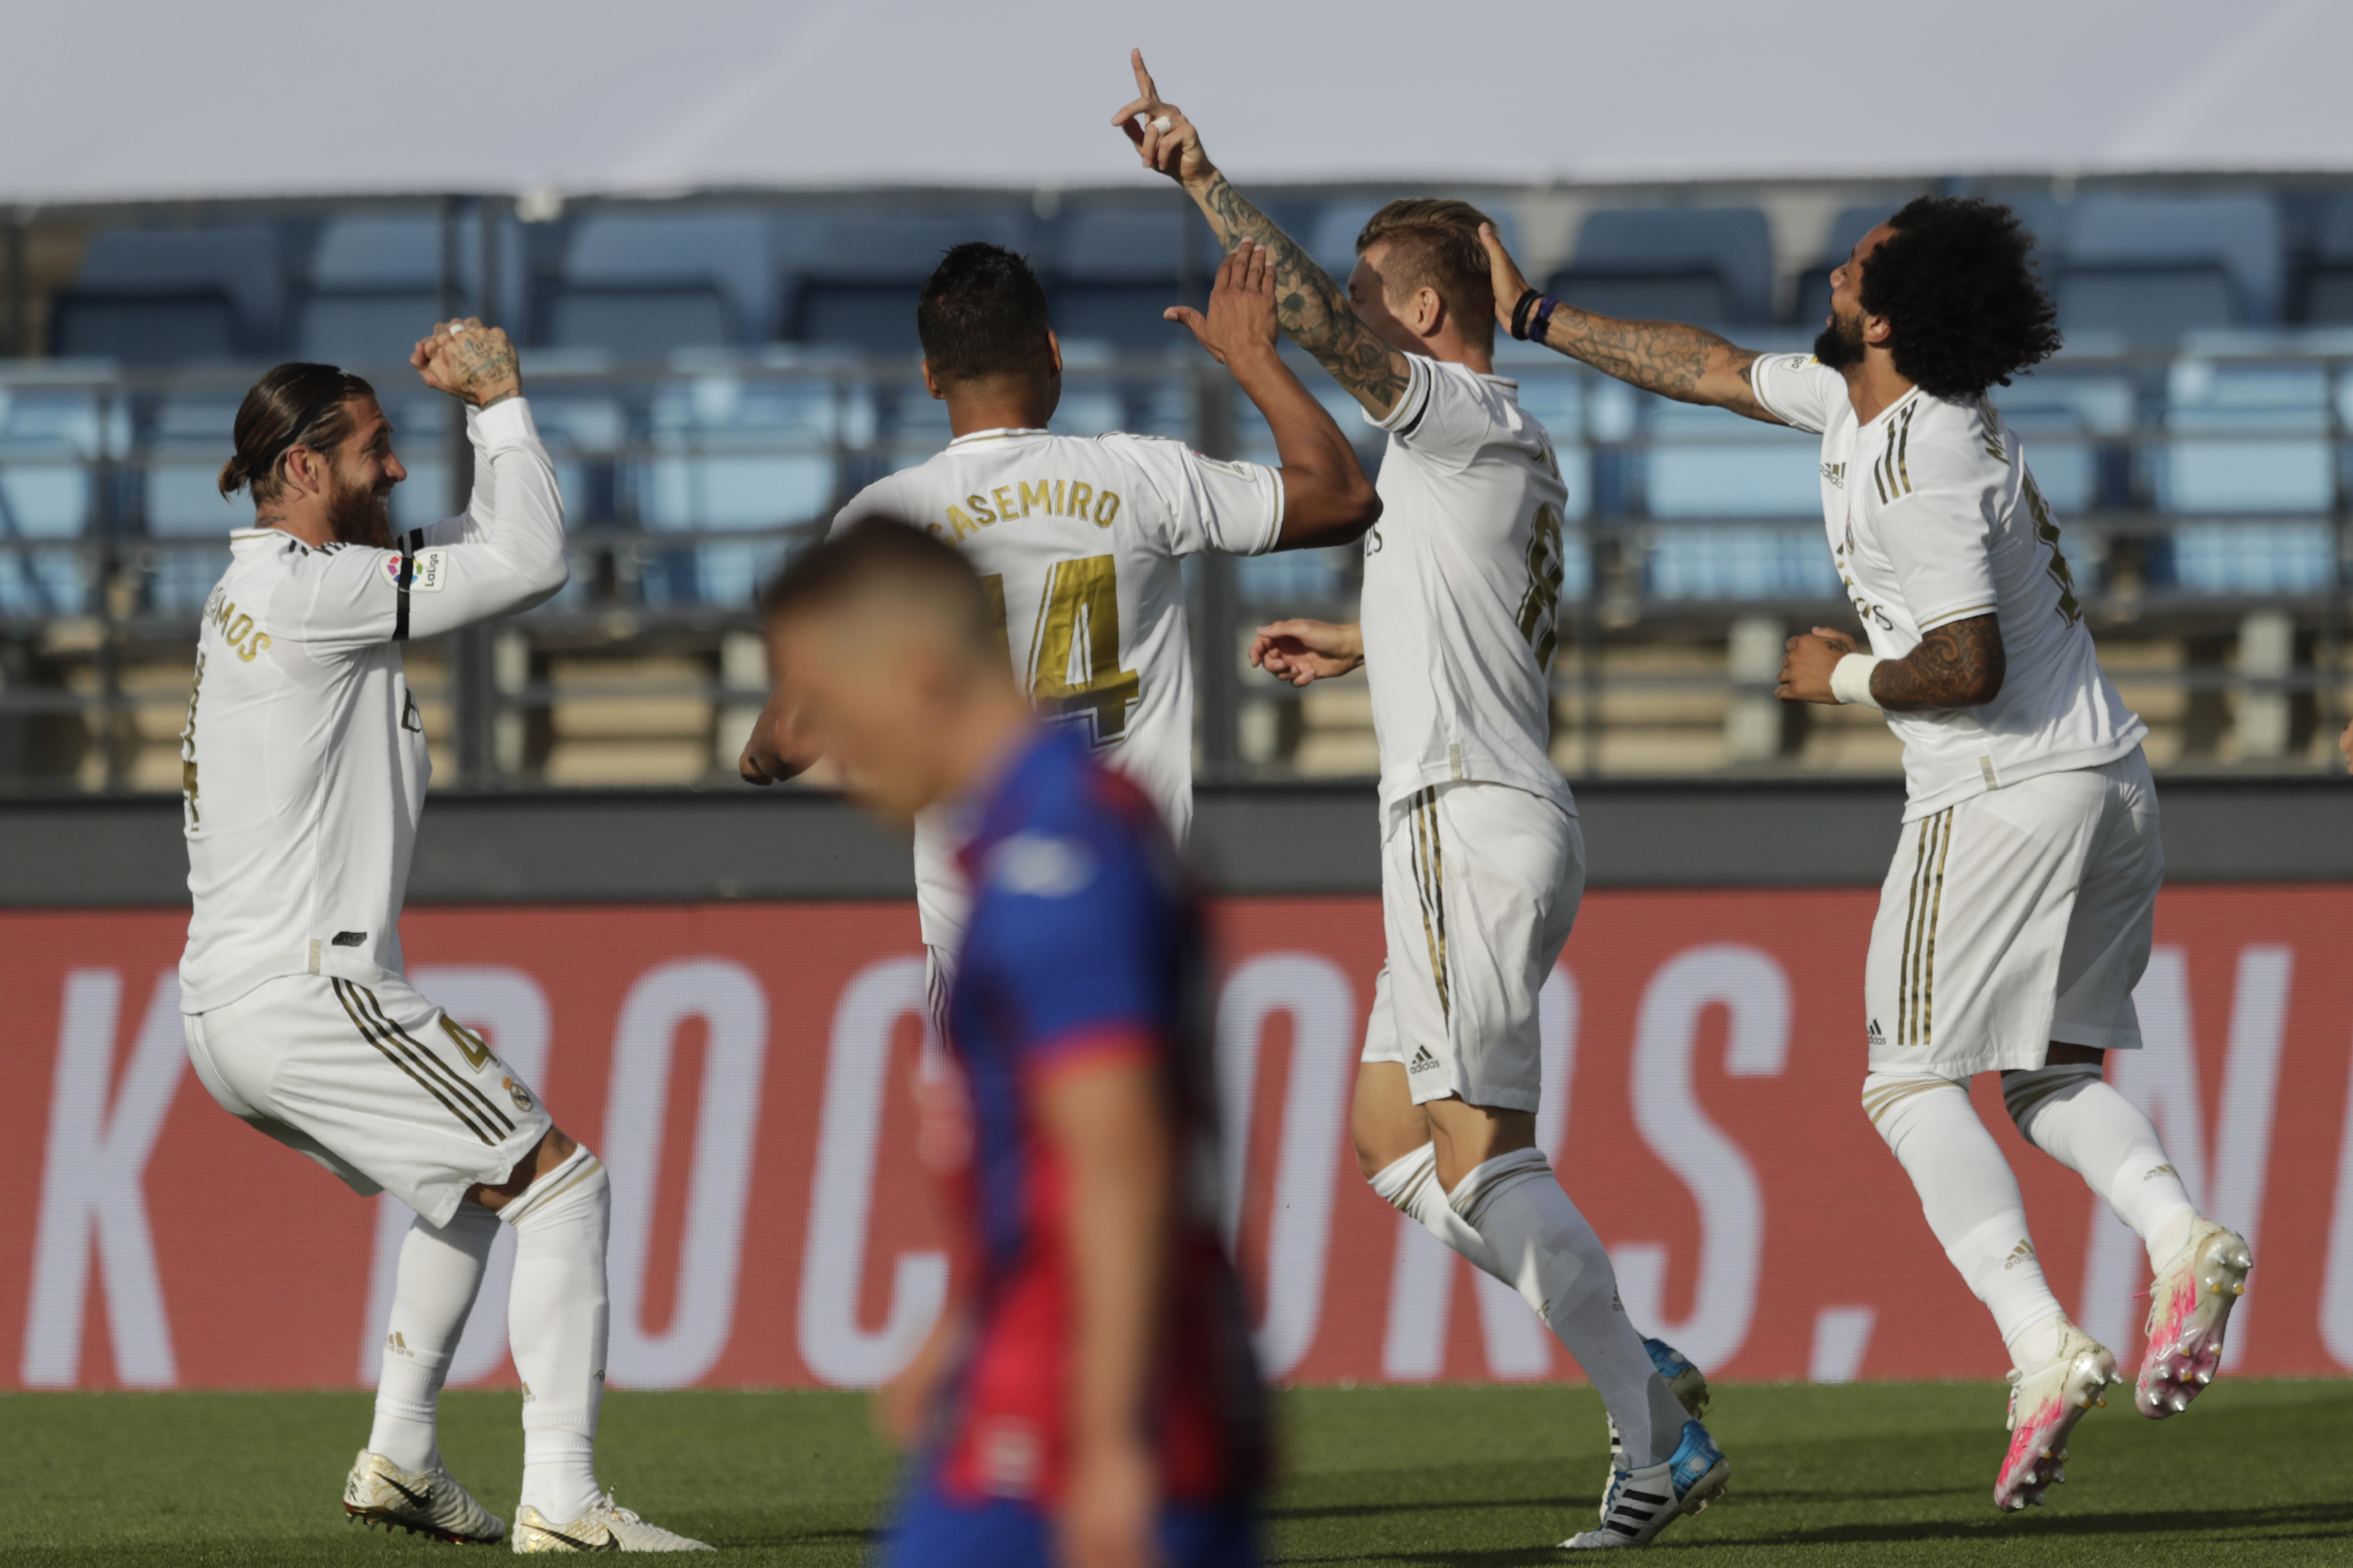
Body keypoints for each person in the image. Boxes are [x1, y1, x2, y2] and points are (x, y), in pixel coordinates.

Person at [1476, 198, 2254, 1509]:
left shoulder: (1918, 456)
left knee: (1903, 1082)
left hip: (2000, 787)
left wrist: (1839, 681)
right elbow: (1709, 368)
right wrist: (1538, 317)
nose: (1830, 270)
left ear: (1883, 316)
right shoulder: (1863, 402)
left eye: (1855, 265)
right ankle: (2180, 1236)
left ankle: (2039, 1342)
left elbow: (1966, 660)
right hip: (2108, 776)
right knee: (2048, 1074)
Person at [1113, 53, 1722, 1550]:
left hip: (1466, 815)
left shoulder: (1455, 408)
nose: (1355, 316)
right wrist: (1354, 637)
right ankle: (1636, 1367)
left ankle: (1648, 1444)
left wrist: (1202, 177)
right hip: (1464, 807)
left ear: (1429, 314)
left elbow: (1319, 324)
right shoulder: (1460, 457)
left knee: (1485, 1151)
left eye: (1379, 292)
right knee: (1392, 1138)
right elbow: (1469, 617)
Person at [180, 326, 708, 1552]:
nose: (398, 472)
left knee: (470, 1190)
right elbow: (528, 558)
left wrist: (485, 442)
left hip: (233, 1000)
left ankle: (403, 1455)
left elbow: (470, 554)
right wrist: (502, 404)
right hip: (311, 986)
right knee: (563, 1185)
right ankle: (565, 1500)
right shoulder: (315, 594)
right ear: (305, 468)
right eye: (376, 451)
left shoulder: (267, 588)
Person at [763, 516, 1265, 1568]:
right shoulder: (1071, 821)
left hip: (1070, 1417)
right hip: (1046, 1377)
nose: (823, 752)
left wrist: (1111, 1437)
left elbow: (1120, 1154)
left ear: (917, 673)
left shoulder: (1052, 861)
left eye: (829, 704)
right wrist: (957, 1331)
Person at [741, 238, 1378, 1025]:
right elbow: (1344, 497)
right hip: (1127, 909)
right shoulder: (1139, 475)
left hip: (979, 937)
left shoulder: (886, 520)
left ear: (930, 375)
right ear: (1052, 353)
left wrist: (762, 751)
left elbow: (791, 733)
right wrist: (1250, 355)